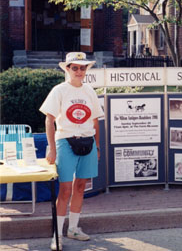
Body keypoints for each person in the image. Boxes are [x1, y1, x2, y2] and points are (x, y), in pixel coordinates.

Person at [40, 52, 104, 250]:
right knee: (65, 189)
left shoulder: (89, 91)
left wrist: (97, 145)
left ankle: (73, 228)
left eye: (82, 67)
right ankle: (57, 235)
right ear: (67, 69)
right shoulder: (59, 90)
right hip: (65, 142)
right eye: (74, 67)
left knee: (81, 186)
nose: (78, 71)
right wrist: (52, 148)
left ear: (86, 70)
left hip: (87, 142)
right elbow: (49, 119)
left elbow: (95, 120)